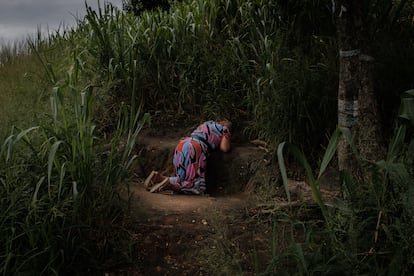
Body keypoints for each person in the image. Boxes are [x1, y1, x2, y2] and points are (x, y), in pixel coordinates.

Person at [144, 119, 232, 195]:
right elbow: (224, 148)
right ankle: (169, 185)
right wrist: (228, 139)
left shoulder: (207, 123)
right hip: (195, 148)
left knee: (183, 178)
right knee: (197, 186)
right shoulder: (224, 130)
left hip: (182, 144)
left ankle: (159, 178)